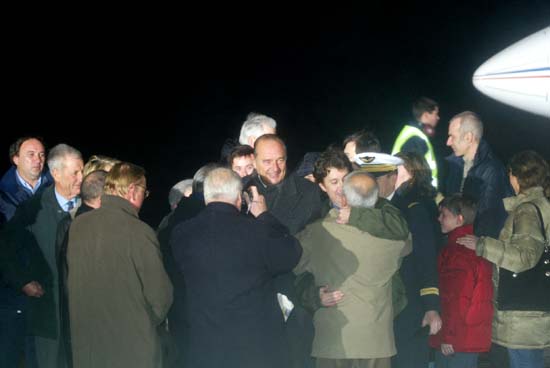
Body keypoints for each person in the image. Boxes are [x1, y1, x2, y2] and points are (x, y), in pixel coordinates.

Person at [171, 168, 301, 368]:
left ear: (206, 196)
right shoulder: (257, 231)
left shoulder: (182, 234)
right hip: (255, 349)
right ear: (240, 198)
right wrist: (265, 216)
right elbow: (291, 254)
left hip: (205, 347)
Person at [295, 171, 411, 368]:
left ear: (343, 197)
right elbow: (399, 227)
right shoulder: (395, 240)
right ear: (376, 200)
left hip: (333, 341)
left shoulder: (318, 232)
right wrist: (373, 205)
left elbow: (292, 266)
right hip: (376, 342)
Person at [67, 162, 172, 368]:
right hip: (132, 347)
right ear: (132, 190)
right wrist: (142, 320)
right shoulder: (139, 231)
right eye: (145, 191)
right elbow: (161, 295)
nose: (145, 197)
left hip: (88, 344)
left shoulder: (78, 226)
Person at [457, 150, 550, 368]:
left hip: (523, 313)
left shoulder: (527, 211)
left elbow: (523, 257)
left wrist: (483, 244)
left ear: (516, 177)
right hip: (536, 308)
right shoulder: (542, 207)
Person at [354, 151, 442, 368]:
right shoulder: (357, 213)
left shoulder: (412, 212)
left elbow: (426, 261)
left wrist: (431, 306)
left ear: (393, 178)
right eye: (366, 179)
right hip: (371, 311)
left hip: (407, 310)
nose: (370, 186)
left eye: (375, 179)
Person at [0, 143, 83, 368]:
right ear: (55, 173)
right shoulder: (32, 209)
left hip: (81, 310)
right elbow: (6, 248)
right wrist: (23, 280)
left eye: (82, 171)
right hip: (44, 308)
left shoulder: (88, 207)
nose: (81, 178)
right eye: (75, 172)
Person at [0, 136, 52, 368]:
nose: (38, 160)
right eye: (31, 154)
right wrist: (21, 280)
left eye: (42, 154)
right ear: (15, 159)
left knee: (42, 355)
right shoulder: (3, 195)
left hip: (49, 285)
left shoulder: (56, 187)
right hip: (13, 290)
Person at [430, 194, 493, 368]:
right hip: (469, 334)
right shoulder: (475, 248)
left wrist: (448, 336)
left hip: (456, 338)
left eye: (444, 215)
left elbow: (456, 298)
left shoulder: (456, 252)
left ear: (459, 219)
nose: (439, 219)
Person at [444, 111, 513, 239]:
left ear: (469, 138)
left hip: (473, 249)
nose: (448, 142)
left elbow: (490, 220)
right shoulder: (454, 166)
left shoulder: (492, 171)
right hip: (455, 240)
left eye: (452, 136)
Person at [392, 97, 440, 187]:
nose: (438, 118)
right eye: (435, 114)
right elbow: (415, 174)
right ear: (425, 115)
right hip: (417, 195)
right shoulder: (416, 138)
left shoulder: (413, 133)